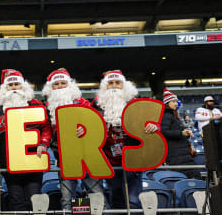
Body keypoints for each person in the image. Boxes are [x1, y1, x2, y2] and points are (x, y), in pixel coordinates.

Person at [41, 68, 106, 211]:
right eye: (56, 84)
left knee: (96, 196)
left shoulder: (82, 102)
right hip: (65, 160)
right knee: (67, 199)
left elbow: (95, 123)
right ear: (50, 88)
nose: (59, 86)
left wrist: (85, 128)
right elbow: (46, 131)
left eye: (62, 83)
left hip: (87, 157)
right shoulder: (46, 108)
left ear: (69, 85)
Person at [0, 69, 52, 211]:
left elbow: (46, 128)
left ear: (23, 86)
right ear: (5, 89)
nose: (14, 88)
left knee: (34, 199)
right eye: (10, 85)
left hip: (33, 161)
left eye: (17, 84)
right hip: (9, 164)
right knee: (15, 200)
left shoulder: (36, 105)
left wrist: (43, 143)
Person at [93, 70, 159, 209]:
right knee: (116, 199)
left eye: (118, 82)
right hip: (109, 160)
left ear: (124, 85)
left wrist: (154, 125)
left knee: (134, 200)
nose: (114, 86)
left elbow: (153, 121)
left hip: (132, 160)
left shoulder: (134, 103)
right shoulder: (96, 105)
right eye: (110, 83)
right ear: (105, 87)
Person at [161, 89, 201, 179]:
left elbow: (176, 130)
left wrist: (186, 132)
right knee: (186, 177)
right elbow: (164, 131)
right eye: (173, 101)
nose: (176, 103)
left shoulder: (172, 115)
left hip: (182, 153)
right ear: (167, 103)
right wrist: (182, 133)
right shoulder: (166, 115)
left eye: (176, 101)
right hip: (176, 154)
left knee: (192, 176)